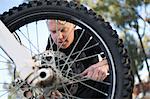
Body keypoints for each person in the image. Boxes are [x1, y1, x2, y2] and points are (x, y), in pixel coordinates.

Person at [46, 20, 109, 98]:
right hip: (72, 95)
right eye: (53, 32)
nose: (59, 37)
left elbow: (112, 56)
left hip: (97, 87)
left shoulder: (85, 36)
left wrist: (103, 66)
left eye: (63, 30)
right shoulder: (51, 44)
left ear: (73, 26)